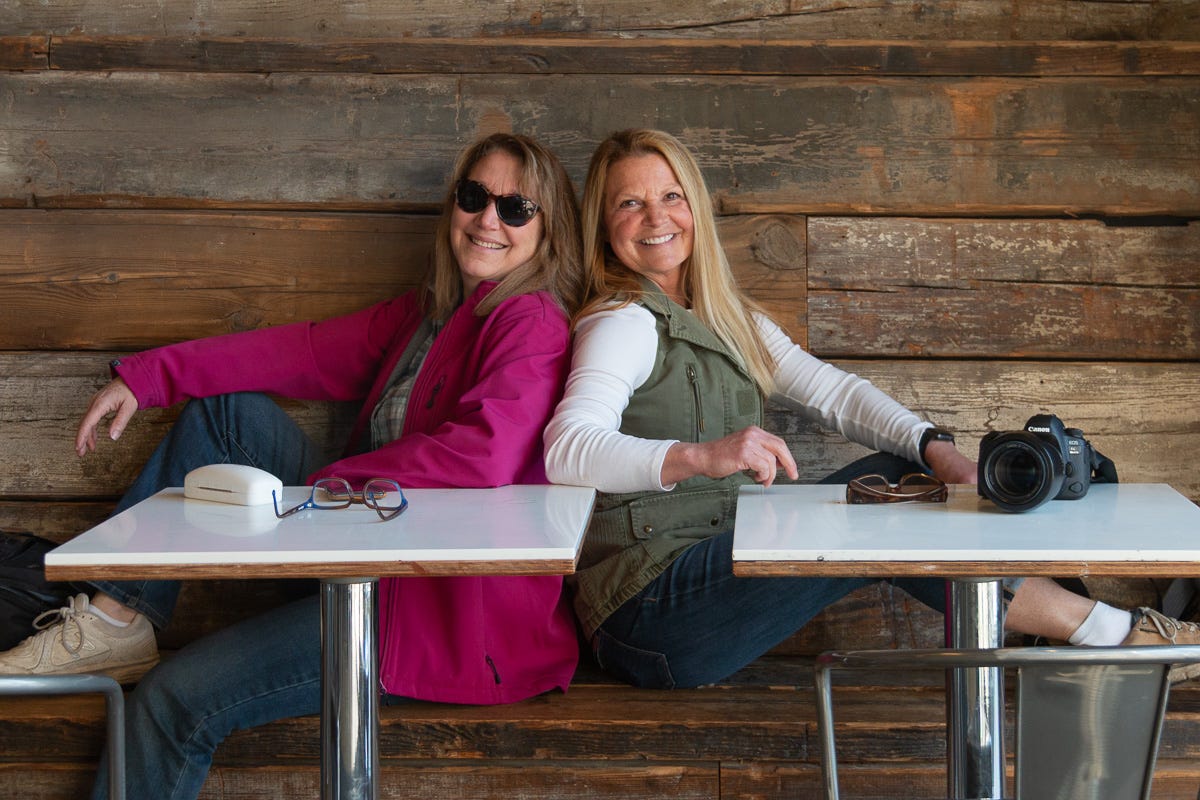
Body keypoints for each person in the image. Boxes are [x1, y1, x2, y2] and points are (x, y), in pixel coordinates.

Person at [0, 132, 587, 798]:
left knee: (170, 701)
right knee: (228, 416)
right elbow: (301, 353)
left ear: (548, 231)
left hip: (437, 624)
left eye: (516, 208)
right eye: (475, 196)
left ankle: (119, 624)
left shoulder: (531, 320)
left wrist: (331, 490)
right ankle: (118, 616)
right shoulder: (430, 314)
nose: (488, 219)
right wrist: (151, 376)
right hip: (370, 557)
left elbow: (482, 453)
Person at [543, 127, 1200, 691]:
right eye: (629, 203)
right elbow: (568, 448)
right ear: (603, 222)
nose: (655, 218)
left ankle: (1083, 635)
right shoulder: (622, 320)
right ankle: (1114, 638)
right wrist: (700, 456)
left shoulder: (725, 317)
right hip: (647, 615)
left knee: (901, 477)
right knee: (887, 510)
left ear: (695, 207)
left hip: (709, 582)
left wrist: (936, 448)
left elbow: (835, 393)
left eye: (670, 196)